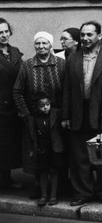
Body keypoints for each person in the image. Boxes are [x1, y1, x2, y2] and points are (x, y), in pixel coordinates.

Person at [62, 21, 102, 205]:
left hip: (101, 113)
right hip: (78, 114)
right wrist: (66, 116)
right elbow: (66, 88)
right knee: (79, 157)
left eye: (89, 35)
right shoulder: (73, 58)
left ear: (99, 36)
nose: (85, 38)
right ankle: (82, 193)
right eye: (82, 35)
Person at [13, 31, 66, 187]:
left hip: (56, 118)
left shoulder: (61, 64)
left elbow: (67, 90)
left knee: (57, 150)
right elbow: (17, 91)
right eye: (38, 43)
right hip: (35, 118)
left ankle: (60, 187)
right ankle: (39, 187)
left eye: (44, 43)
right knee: (37, 151)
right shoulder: (27, 65)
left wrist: (64, 113)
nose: (41, 46)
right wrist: (26, 113)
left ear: (50, 45)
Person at [29, 94, 65, 206]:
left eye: (47, 104)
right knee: (43, 172)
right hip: (42, 148)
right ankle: (43, 196)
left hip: (54, 147)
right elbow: (32, 135)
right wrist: (33, 149)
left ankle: (53, 196)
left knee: (54, 171)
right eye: (42, 106)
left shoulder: (56, 113)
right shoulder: (34, 117)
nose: (45, 107)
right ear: (37, 107)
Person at [0, 18, 24, 189]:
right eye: (0, 32)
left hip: (13, 106)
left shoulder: (15, 52)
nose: (4, 35)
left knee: (9, 144)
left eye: (6, 31)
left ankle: (6, 179)